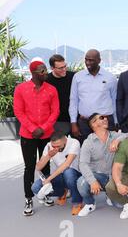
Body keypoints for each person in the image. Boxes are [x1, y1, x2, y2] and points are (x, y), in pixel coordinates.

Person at [13, 58, 60, 216]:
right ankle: (29, 198)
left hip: (46, 134)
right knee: (29, 167)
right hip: (28, 134)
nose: (45, 73)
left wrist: (43, 128)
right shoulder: (21, 89)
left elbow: (55, 112)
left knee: (46, 165)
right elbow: (19, 112)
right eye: (42, 71)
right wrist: (33, 128)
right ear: (33, 73)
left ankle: (45, 193)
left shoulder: (52, 89)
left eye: (45, 69)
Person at [76, 113, 128, 217]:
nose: (105, 119)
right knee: (81, 182)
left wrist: (117, 141)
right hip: (98, 176)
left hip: (114, 177)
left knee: (118, 205)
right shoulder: (88, 142)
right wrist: (93, 181)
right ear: (93, 124)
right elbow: (82, 164)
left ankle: (110, 194)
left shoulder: (114, 135)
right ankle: (90, 203)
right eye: (101, 118)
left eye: (105, 117)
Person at [69, 49, 118, 144]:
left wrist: (116, 121)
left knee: (107, 151)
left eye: (91, 60)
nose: (88, 63)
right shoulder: (78, 77)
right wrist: (73, 123)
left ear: (99, 60)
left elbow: (114, 100)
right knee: (86, 151)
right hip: (84, 124)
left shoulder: (110, 77)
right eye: (86, 59)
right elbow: (73, 101)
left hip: (105, 122)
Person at [31, 131, 83, 215]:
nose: (55, 148)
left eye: (58, 146)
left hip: (76, 175)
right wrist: (48, 156)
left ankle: (77, 202)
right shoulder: (48, 146)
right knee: (35, 187)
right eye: (53, 146)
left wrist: (48, 179)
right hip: (59, 175)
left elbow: (66, 164)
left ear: (65, 141)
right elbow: (38, 167)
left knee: (68, 172)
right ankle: (62, 192)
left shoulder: (74, 142)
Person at [46, 54, 75, 135]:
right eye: (60, 68)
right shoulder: (46, 80)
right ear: (52, 68)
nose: (64, 69)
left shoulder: (73, 77)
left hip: (74, 119)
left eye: (65, 66)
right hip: (57, 121)